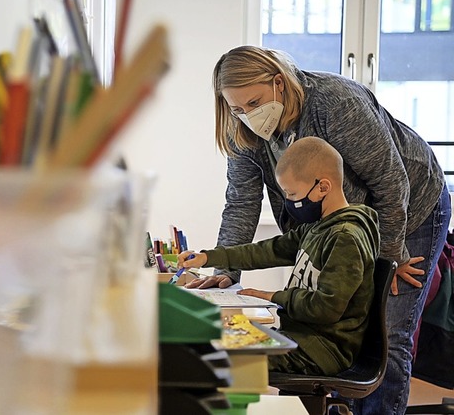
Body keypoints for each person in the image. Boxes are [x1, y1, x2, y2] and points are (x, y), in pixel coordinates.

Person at [193, 45, 451, 414]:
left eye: (253, 103)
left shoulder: (335, 103)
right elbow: (241, 203)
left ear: (279, 83)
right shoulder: (244, 131)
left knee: (387, 332)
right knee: (343, 326)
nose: (248, 116)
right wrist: (225, 272)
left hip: (410, 204)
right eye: (236, 109)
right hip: (337, 225)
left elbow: (392, 183)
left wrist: (390, 260)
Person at [179, 137, 380, 376]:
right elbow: (266, 251)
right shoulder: (317, 227)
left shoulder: (346, 237)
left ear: (323, 187)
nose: (290, 202)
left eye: (292, 193)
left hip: (321, 349)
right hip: (298, 339)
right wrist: (208, 258)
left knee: (210, 356)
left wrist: (271, 296)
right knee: (207, 336)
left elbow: (326, 308)